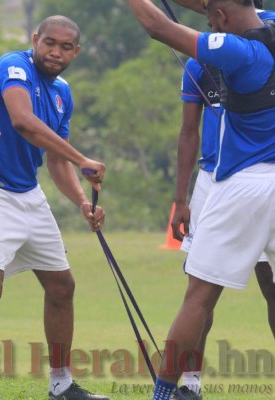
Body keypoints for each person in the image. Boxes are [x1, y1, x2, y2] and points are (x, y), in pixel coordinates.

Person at [125, 1, 275, 399]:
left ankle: (164, 393)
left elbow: (157, 26)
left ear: (222, 20)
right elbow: (224, 5)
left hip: (245, 183)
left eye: (210, 20)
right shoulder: (269, 24)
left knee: (199, 296)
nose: (207, 24)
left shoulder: (237, 51)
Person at [0, 15, 108, 400]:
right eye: (50, 43)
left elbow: (55, 160)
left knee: (62, 285)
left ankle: (61, 385)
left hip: (28, 194)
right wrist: (82, 159)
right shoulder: (13, 66)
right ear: (35, 39)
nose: (55, 53)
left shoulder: (62, 92)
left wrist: (81, 203)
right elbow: (23, 122)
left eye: (65, 47)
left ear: (77, 51)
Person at [171, 1, 275, 396]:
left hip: (255, 178)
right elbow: (187, 132)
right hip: (214, 180)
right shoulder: (202, 58)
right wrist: (181, 198)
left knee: (270, 283)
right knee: (201, 291)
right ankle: (190, 384)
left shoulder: (260, 40)